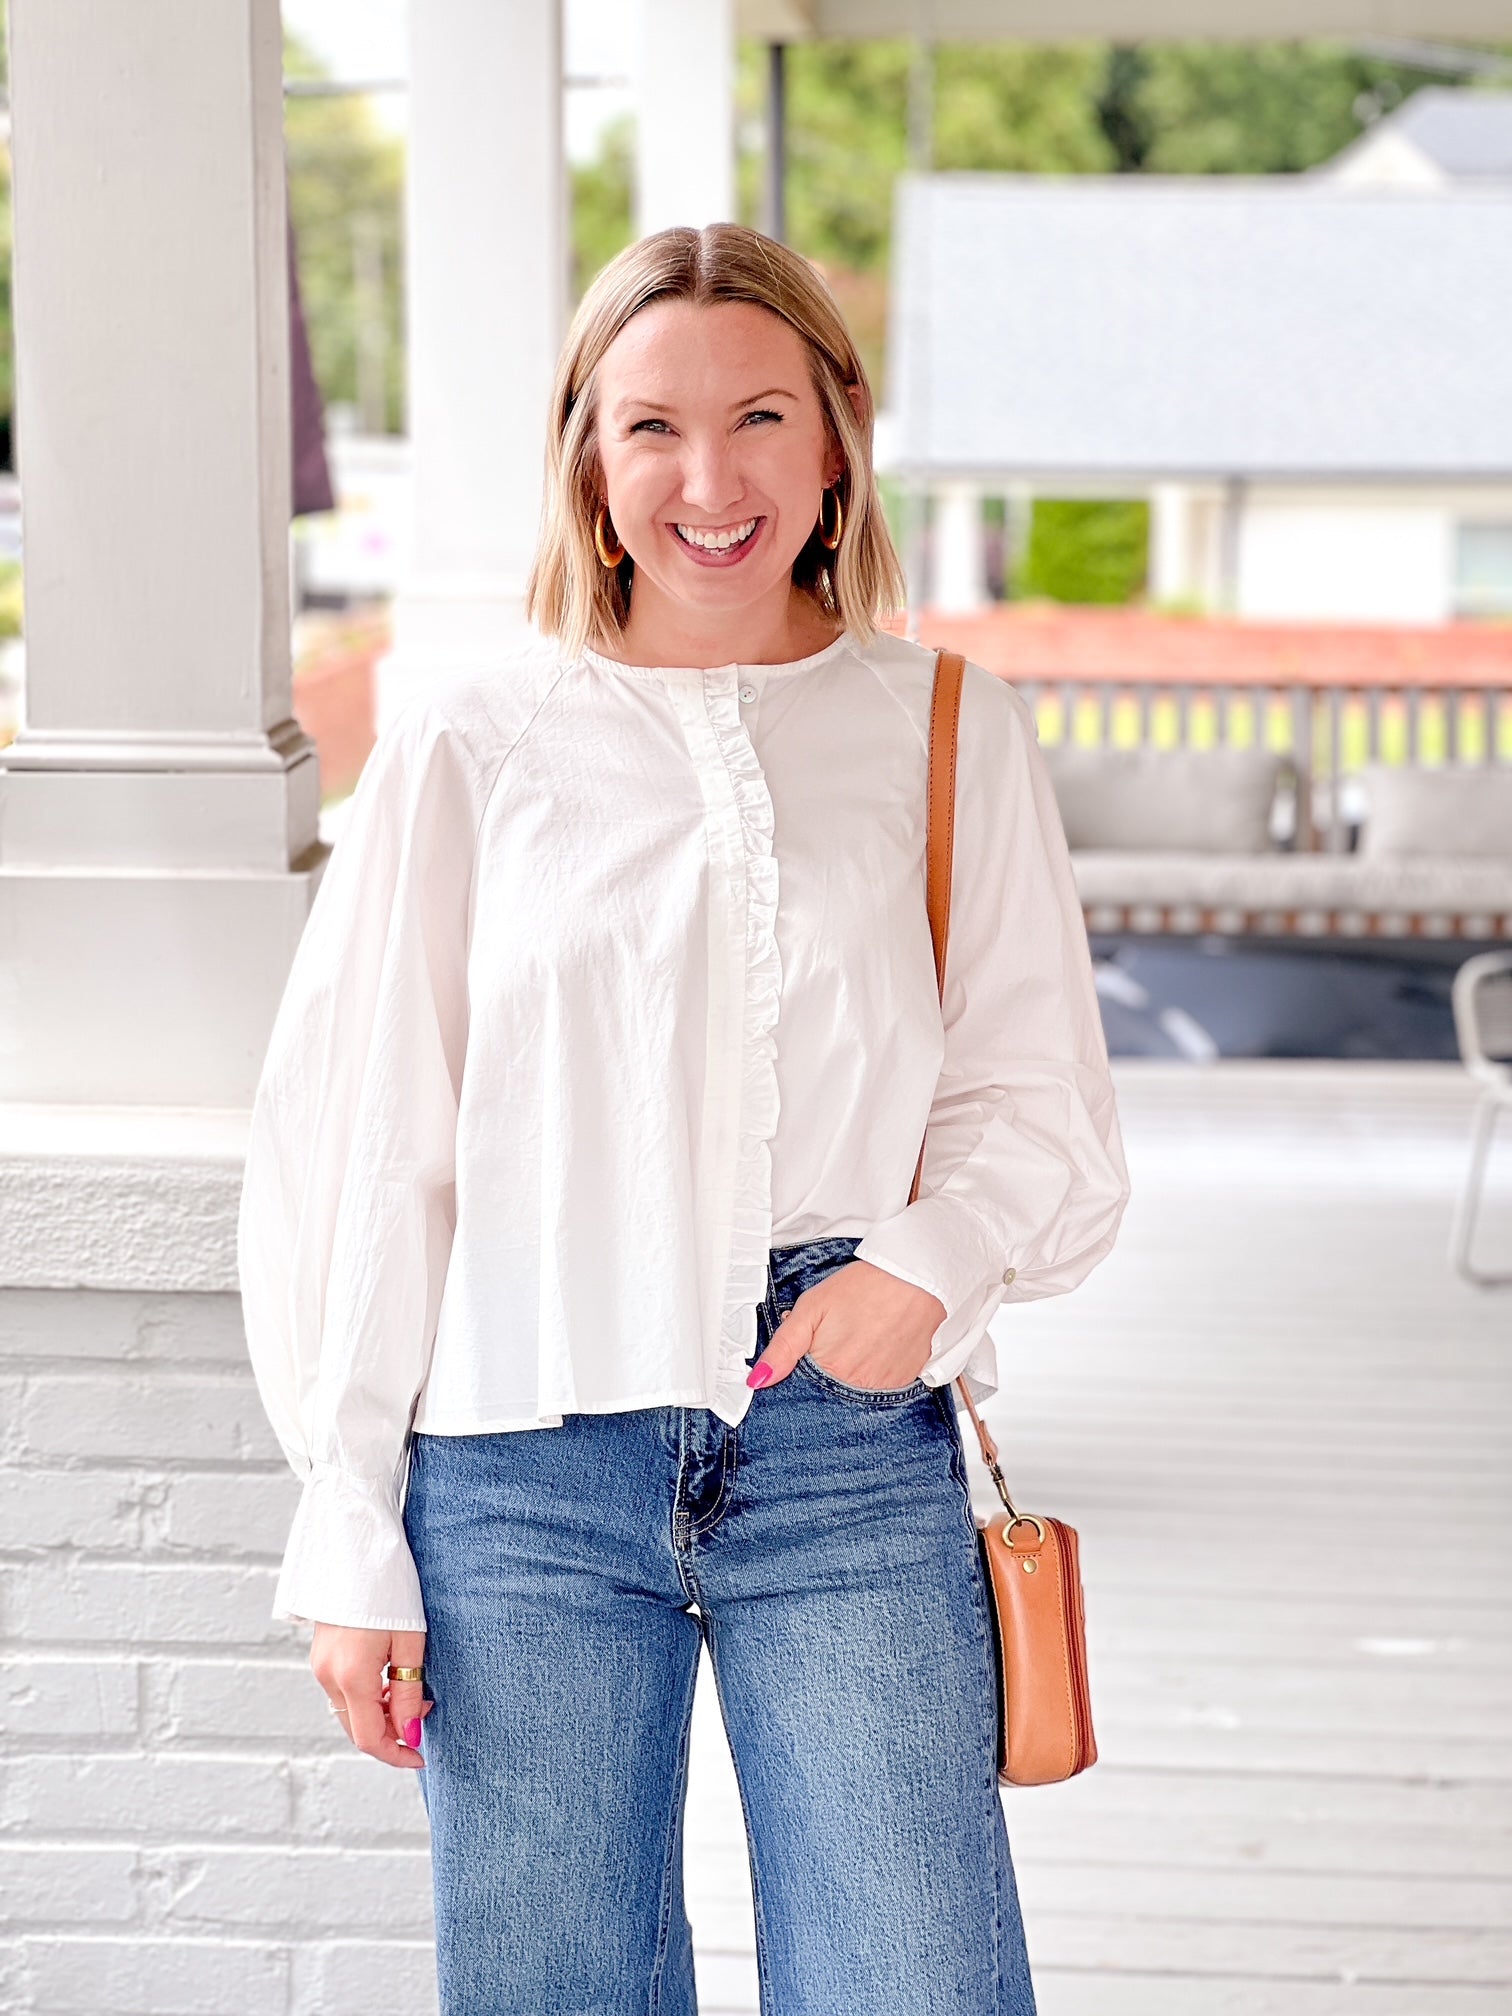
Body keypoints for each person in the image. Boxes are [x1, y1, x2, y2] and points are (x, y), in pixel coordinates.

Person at [238, 222, 1131, 2016]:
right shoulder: (470, 739)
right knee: (557, 1986)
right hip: (516, 1456)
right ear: (586, 448)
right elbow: (361, 1150)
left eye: (757, 419)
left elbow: (1038, 1096)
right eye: (650, 426)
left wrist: (919, 1271)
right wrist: (349, 1522)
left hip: (842, 1437)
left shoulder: (944, 723)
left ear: (835, 443)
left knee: (915, 1982)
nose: (705, 482)